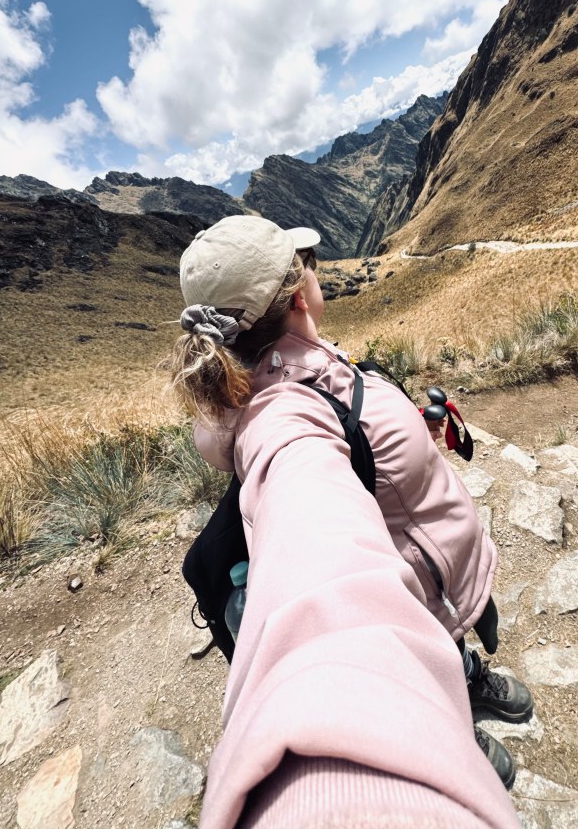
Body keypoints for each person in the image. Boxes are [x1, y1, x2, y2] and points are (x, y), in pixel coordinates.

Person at [170, 215, 529, 829]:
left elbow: (346, 428)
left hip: (426, 564)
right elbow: (317, 549)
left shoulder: (283, 369)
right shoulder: (280, 420)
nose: (316, 268)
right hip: (419, 586)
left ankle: (460, 683)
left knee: (449, 650)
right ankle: (451, 730)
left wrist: (407, 426)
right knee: (430, 655)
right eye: (305, 260)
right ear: (296, 295)